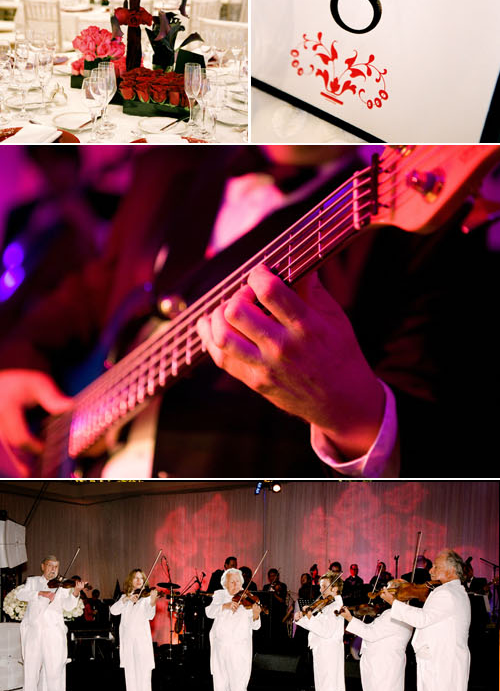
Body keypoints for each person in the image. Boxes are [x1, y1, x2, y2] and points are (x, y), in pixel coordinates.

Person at [0, 147, 498, 480]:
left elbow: (452, 447)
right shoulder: (170, 166)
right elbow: (100, 284)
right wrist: (15, 363)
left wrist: (349, 411)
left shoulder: (420, 243)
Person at [380, 549, 471, 691]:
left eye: (436, 566)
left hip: (437, 663)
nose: (430, 570)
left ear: (450, 570)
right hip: (450, 662)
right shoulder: (459, 593)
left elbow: (422, 619)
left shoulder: (444, 594)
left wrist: (395, 603)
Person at [4, 554, 84, 691]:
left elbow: (69, 605)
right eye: (50, 566)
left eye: (56, 566)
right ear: (43, 566)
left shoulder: (63, 586)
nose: (53, 570)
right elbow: (21, 595)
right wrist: (41, 593)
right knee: (30, 670)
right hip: (33, 633)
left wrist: (75, 592)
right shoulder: (33, 582)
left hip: (53, 634)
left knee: (54, 671)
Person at [205, 567, 260, 691]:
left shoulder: (249, 599)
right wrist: (226, 605)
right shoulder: (219, 595)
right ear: (225, 583)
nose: (236, 584)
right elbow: (209, 612)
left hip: (239, 648)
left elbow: (256, 625)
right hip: (220, 647)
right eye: (232, 581)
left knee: (238, 685)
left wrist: (256, 614)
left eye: (238, 581)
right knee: (220, 684)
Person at [295, 573, 345, 691]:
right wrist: (301, 619)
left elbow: (326, 630)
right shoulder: (326, 605)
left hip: (330, 651)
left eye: (324, 586)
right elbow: (316, 625)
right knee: (321, 688)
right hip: (321, 650)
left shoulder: (337, 605)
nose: (321, 590)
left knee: (329, 689)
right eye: (321, 586)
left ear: (335, 588)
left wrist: (310, 617)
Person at [110, 569, 158, 691]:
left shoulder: (145, 599)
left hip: (141, 643)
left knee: (143, 676)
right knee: (130, 675)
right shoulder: (125, 597)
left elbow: (150, 614)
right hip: (128, 643)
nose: (138, 581)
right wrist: (126, 600)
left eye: (141, 578)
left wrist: (152, 601)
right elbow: (113, 610)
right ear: (130, 580)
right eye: (136, 578)